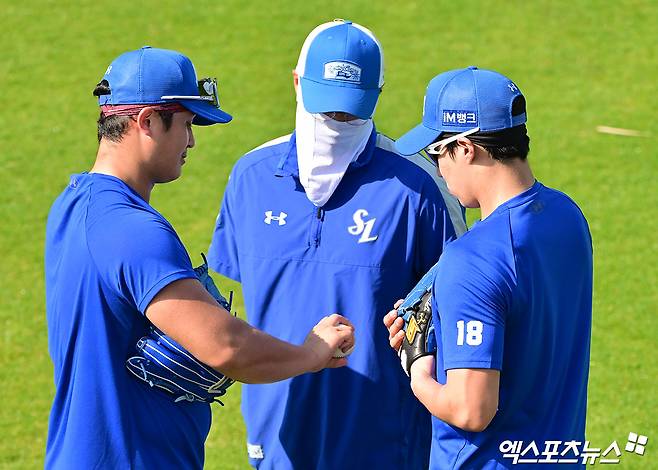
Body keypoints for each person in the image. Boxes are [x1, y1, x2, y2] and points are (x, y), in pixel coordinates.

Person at [44, 46, 354, 470]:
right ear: (147, 121)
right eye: (187, 124)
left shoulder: (73, 203)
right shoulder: (132, 230)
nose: (191, 141)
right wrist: (312, 353)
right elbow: (227, 347)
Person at [207, 20, 466, 469]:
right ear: (296, 83)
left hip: (384, 442)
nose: (338, 123)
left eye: (350, 112)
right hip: (276, 436)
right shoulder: (251, 178)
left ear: (377, 95)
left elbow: (465, 313)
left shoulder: (420, 187)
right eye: (327, 108)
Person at [385, 66, 593, 469]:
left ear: (465, 148)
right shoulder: (568, 216)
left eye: (436, 152)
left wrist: (419, 369)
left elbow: (471, 410)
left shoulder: (473, 260)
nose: (438, 170)